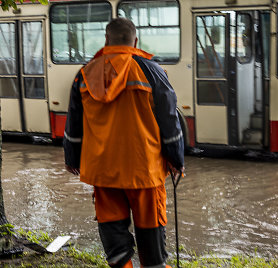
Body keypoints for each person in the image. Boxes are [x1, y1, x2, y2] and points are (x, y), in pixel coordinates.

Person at [63, 17, 184, 268]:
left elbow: (74, 124)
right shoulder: (152, 71)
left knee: (114, 239)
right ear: (135, 41)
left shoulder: (84, 74)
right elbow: (169, 120)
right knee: (152, 241)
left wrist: (72, 159)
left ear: (107, 40)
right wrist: (176, 160)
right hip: (145, 171)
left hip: (103, 172)